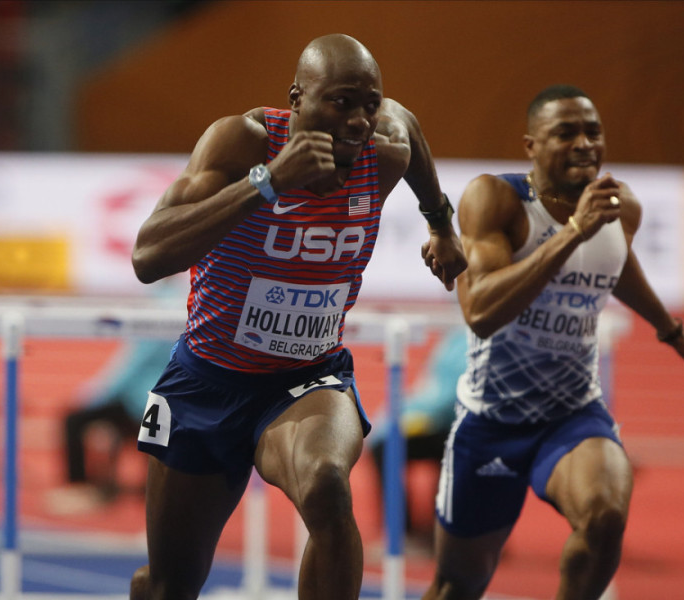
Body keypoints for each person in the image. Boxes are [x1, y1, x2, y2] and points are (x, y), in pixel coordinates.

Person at [126, 33, 467, 600]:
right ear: (297, 100)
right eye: (340, 102)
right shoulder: (242, 144)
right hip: (208, 381)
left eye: (368, 103)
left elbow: (406, 122)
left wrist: (440, 222)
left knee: (329, 490)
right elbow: (147, 257)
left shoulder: (384, 147)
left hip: (307, 377)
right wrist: (269, 183)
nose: (359, 120)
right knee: (170, 585)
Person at [422, 84, 684, 600]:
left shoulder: (619, 206)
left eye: (593, 131)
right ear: (531, 146)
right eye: (565, 133)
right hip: (492, 420)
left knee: (604, 515)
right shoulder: (495, 200)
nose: (584, 143)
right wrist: (572, 232)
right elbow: (482, 313)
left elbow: (615, 263)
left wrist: (670, 332)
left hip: (571, 413)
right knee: (458, 585)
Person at [368, 326, 467, 544]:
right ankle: (402, 533)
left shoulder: (485, 338)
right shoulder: (454, 337)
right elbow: (429, 388)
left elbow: (448, 400)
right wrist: (390, 417)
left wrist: (407, 420)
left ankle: (444, 534)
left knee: (389, 441)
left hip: (459, 426)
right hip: (438, 422)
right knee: (385, 443)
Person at [51, 338, 174, 511]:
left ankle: (78, 486)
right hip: (160, 403)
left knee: (74, 419)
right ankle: (148, 487)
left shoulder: (155, 328)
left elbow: (129, 369)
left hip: (146, 406)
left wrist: (89, 397)